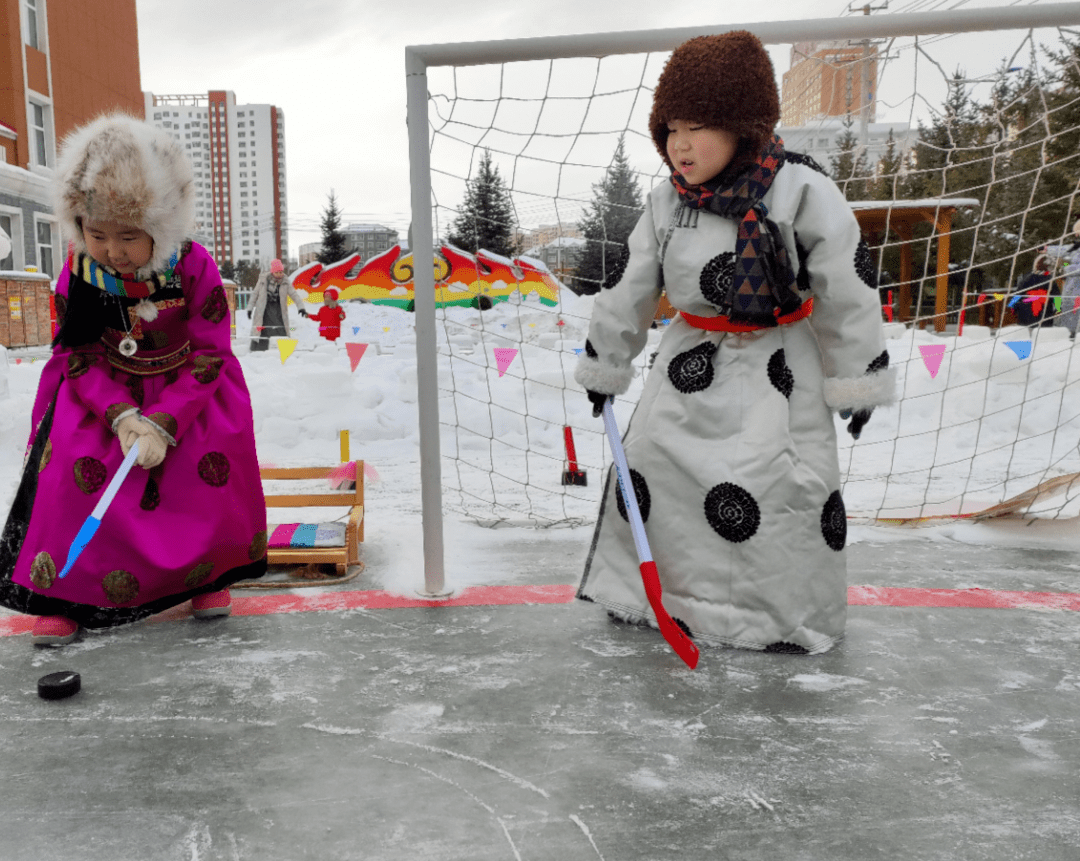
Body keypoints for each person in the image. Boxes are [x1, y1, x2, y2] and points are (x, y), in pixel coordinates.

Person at [574, 32, 895, 655]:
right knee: (654, 477)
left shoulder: (801, 189)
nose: (681, 145)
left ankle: (777, 618)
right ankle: (653, 601)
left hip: (781, 367)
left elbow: (843, 288)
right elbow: (632, 285)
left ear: (744, 128)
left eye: (698, 128)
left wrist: (858, 376)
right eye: (670, 130)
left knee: (781, 494)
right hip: (690, 368)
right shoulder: (669, 201)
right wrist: (606, 361)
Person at [0, 113, 268, 646]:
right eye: (96, 234)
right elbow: (76, 354)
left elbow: (212, 353)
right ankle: (67, 592)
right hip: (100, 389)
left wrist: (164, 422)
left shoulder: (193, 267)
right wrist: (122, 417)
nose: (112, 251)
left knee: (204, 466)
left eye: (128, 236)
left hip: (186, 387)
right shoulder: (78, 274)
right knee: (74, 468)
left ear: (161, 227)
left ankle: (206, 576)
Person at [249, 258, 308, 351]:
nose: (280, 274)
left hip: (278, 311)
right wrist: (250, 308)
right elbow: (255, 294)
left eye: (281, 272)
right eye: (277, 272)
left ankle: (284, 352)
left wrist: (301, 307)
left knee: (281, 330)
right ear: (272, 272)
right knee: (262, 331)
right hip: (264, 311)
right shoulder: (263, 280)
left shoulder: (285, 281)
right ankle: (258, 353)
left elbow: (294, 294)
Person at [1044, 221, 1080, 338]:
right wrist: (1046, 249)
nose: (1076, 236)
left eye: (1077, 233)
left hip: (1076, 293)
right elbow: (1063, 249)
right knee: (1070, 319)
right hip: (1071, 292)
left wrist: (1066, 268)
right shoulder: (1076, 248)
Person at [1011, 255, 1056, 329]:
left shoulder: (1027, 278)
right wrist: (1058, 309)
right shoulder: (1050, 279)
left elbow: (1018, 294)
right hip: (1043, 315)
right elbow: (1056, 297)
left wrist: (1012, 306)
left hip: (1026, 314)